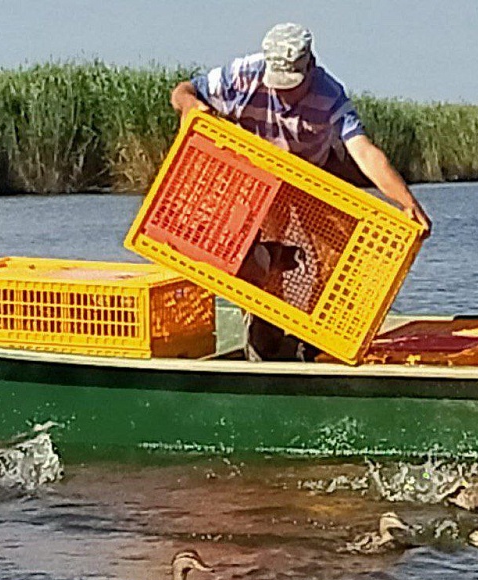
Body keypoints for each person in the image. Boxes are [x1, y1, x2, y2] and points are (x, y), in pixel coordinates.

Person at [170, 22, 431, 361]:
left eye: (292, 85)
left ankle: (317, 341)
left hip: (313, 176)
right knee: (247, 264)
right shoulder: (243, 75)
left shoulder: (330, 94)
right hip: (260, 178)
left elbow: (364, 152)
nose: (284, 94)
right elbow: (183, 91)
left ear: (310, 67)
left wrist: (406, 201)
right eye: (278, 84)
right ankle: (266, 331)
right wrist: (190, 105)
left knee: (331, 259)